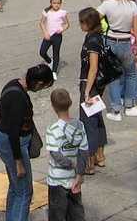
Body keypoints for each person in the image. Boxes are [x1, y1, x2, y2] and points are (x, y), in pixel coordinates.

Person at [0, 64, 54, 221]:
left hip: (5, 140)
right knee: (24, 191)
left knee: (15, 187)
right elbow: (13, 132)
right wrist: (18, 161)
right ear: (39, 83)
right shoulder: (18, 99)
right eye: (43, 87)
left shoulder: (13, 84)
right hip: (13, 145)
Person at [98, 0, 137, 120]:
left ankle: (116, 110)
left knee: (113, 76)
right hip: (126, 41)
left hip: (111, 40)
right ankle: (130, 106)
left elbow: (94, 16)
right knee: (131, 74)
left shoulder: (107, 4)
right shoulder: (132, 5)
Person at [45, 88, 88, 221]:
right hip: (74, 178)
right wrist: (80, 173)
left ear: (53, 107)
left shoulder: (53, 130)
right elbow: (83, 151)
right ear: (70, 103)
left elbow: (55, 154)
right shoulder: (80, 126)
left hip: (56, 179)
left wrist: (70, 164)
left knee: (57, 214)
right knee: (76, 212)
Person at [77, 8, 108, 174]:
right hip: (98, 85)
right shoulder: (98, 37)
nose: (80, 24)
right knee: (97, 119)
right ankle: (100, 156)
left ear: (89, 23)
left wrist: (87, 91)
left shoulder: (92, 41)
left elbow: (93, 68)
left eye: (82, 21)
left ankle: (89, 162)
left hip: (90, 84)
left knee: (87, 122)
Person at [38, 0, 69, 80]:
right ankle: (49, 61)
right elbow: (41, 23)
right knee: (42, 52)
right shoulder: (46, 11)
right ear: (51, 3)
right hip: (48, 35)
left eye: (58, 3)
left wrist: (62, 29)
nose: (56, 5)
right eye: (54, 3)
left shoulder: (62, 13)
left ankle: (54, 71)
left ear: (61, 3)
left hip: (57, 36)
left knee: (56, 53)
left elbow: (67, 24)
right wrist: (45, 33)